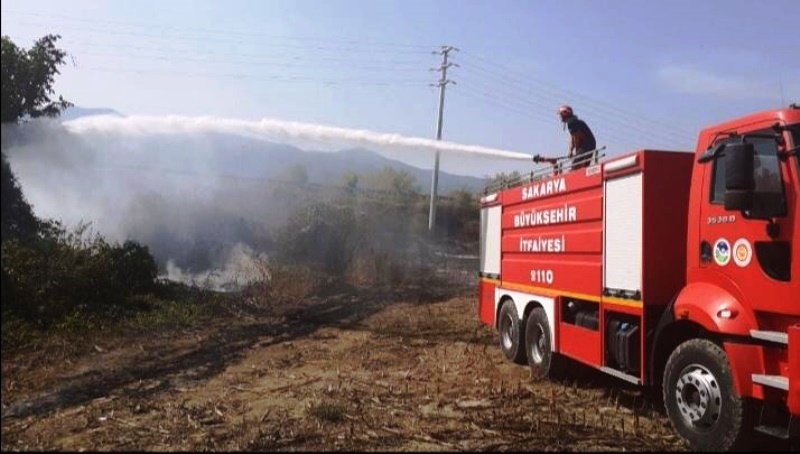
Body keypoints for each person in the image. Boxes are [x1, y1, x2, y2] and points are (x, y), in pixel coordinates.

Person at [558, 105, 596, 171]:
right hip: (590, 143)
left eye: (560, 114)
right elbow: (572, 137)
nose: (559, 117)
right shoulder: (572, 122)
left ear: (565, 114)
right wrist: (570, 150)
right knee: (583, 166)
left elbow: (577, 138)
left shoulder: (571, 123)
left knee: (575, 164)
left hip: (587, 144)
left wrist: (576, 151)